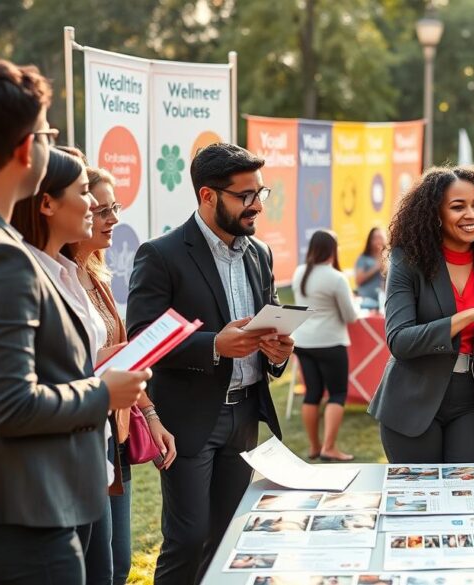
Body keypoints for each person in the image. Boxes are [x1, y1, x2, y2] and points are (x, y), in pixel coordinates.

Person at [0, 53, 147, 585]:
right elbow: (8, 403)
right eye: (48, 133)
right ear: (27, 149)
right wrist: (103, 392)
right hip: (31, 512)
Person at [127, 142, 294, 584]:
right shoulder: (161, 254)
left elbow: (267, 318)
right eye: (245, 196)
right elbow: (140, 341)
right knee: (188, 539)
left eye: (261, 193)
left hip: (245, 416)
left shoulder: (260, 254)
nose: (257, 205)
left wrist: (277, 351)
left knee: (228, 537)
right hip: (189, 418)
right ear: (207, 196)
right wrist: (213, 345)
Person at [368, 165, 474, 464]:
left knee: (468, 498)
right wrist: (470, 316)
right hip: (412, 399)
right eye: (458, 207)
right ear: (435, 214)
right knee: (418, 500)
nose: (472, 214)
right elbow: (400, 341)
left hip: (473, 400)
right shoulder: (407, 260)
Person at [71, 166, 179, 585]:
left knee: (119, 564)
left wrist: (151, 416)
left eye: (114, 207)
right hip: (78, 437)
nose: (113, 218)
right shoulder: (55, 278)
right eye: (101, 209)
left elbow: (119, 358)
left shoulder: (96, 275)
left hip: (112, 437)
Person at [291, 230, 359, 462]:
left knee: (312, 393)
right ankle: (329, 447)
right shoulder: (336, 278)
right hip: (330, 342)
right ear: (332, 249)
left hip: (303, 341)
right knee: (337, 393)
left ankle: (314, 446)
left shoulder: (300, 272)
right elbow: (350, 316)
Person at [355, 226, 387, 310]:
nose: (378, 241)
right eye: (375, 238)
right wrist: (376, 267)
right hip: (367, 303)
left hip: (384, 303)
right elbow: (359, 280)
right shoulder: (363, 258)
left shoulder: (388, 258)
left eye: (380, 237)